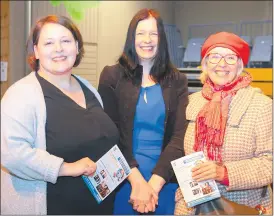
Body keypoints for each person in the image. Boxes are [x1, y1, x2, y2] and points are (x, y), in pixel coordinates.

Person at [1, 15, 119, 215]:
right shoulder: (22, 94)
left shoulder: (87, 87)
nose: (59, 49)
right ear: (36, 51)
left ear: (77, 47)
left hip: (98, 207)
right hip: (51, 207)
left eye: (65, 41)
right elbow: (11, 154)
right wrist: (67, 168)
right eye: (49, 42)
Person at [98, 8, 189, 215]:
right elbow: (110, 133)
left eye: (153, 34)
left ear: (161, 39)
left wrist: (153, 185)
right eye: (140, 33)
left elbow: (179, 137)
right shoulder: (112, 76)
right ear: (132, 38)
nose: (147, 40)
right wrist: (137, 182)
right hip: (123, 176)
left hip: (164, 178)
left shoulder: (177, 81)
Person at [174, 31, 273, 215]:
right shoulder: (193, 102)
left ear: (240, 65)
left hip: (242, 207)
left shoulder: (262, 105)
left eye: (230, 57)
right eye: (215, 57)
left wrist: (223, 173)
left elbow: (270, 164)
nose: (221, 64)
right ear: (205, 64)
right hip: (192, 205)